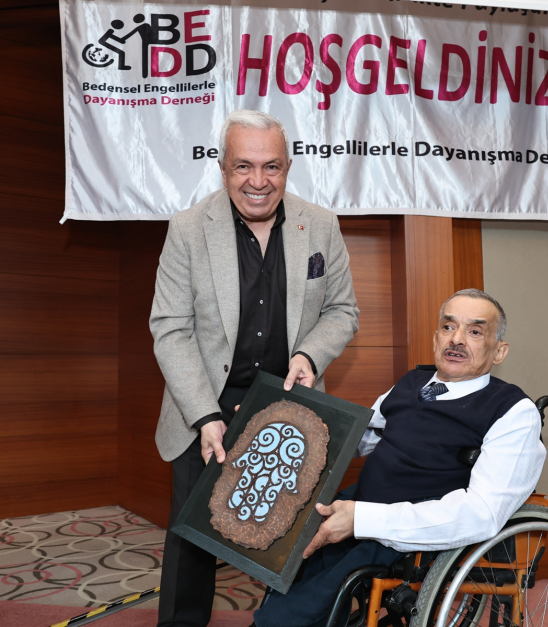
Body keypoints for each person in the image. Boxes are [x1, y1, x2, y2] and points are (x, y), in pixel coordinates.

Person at [149, 109, 359, 627]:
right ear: (223, 168)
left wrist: (309, 356)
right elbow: (170, 329)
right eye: (243, 166)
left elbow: (342, 310)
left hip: (290, 408)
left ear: (288, 167)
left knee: (287, 537)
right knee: (193, 538)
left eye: (271, 166)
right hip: (206, 405)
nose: (258, 181)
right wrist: (204, 415)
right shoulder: (188, 229)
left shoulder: (321, 225)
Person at [252, 288, 546, 627]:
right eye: (449, 327)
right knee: (288, 549)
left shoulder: (513, 412)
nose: (457, 339)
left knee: (302, 604)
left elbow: (481, 514)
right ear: (436, 338)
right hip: (360, 502)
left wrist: (364, 520)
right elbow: (359, 437)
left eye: (475, 331)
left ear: (499, 351)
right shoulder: (412, 383)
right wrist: (279, 427)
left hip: (409, 531)